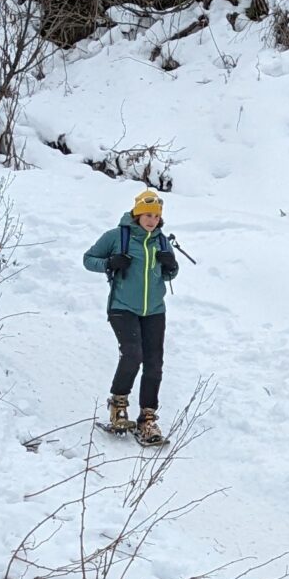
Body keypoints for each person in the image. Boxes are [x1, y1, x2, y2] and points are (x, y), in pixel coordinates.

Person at [82, 190, 178, 445]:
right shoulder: (117, 236)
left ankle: (147, 418)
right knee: (133, 354)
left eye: (156, 216)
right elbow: (88, 259)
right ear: (137, 214)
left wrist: (171, 266)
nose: (152, 221)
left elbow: (168, 276)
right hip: (122, 307)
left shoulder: (161, 241)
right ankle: (118, 406)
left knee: (154, 363)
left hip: (154, 310)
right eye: (147, 215)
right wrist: (110, 263)